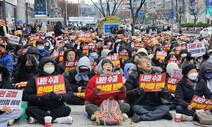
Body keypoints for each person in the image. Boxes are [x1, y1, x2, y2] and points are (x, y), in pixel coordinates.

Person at [23, 57, 73, 124]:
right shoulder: (34, 79)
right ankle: (57, 120)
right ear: (42, 66)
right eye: (47, 65)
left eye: (52, 65)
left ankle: (38, 119)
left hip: (56, 105)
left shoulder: (61, 78)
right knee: (29, 110)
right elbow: (26, 95)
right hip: (39, 106)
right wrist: (39, 98)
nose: (50, 67)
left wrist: (60, 97)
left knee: (67, 109)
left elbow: (70, 93)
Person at [125, 56, 173, 123]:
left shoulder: (157, 75)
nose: (148, 64)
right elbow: (126, 94)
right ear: (139, 65)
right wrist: (135, 91)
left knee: (166, 108)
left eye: (149, 62)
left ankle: (141, 117)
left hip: (155, 104)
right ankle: (160, 115)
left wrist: (164, 90)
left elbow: (165, 96)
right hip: (140, 105)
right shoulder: (133, 76)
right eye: (145, 62)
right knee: (135, 108)